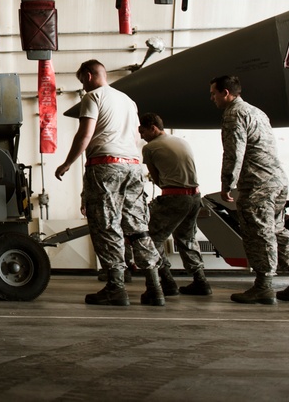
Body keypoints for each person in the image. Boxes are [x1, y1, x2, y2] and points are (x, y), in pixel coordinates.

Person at [55, 60, 165, 307]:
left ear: (88, 75)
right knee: (138, 226)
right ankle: (155, 286)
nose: (83, 86)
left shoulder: (94, 97)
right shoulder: (128, 101)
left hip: (106, 165)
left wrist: (67, 163)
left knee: (106, 225)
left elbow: (85, 134)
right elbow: (137, 137)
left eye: (82, 80)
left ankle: (116, 287)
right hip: (133, 166)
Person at [210, 75, 289, 304]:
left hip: (257, 183)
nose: (212, 98)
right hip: (277, 181)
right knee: (277, 230)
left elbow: (234, 152)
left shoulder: (233, 114)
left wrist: (228, 183)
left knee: (258, 233)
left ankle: (264, 286)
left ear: (226, 93)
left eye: (214, 93)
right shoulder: (257, 112)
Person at [139, 112, 211, 297]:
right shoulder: (181, 141)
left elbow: (157, 180)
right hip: (195, 196)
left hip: (174, 198)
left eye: (143, 131)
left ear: (153, 128)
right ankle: (201, 281)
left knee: (151, 239)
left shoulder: (150, 148)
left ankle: (167, 281)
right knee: (187, 238)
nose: (141, 136)